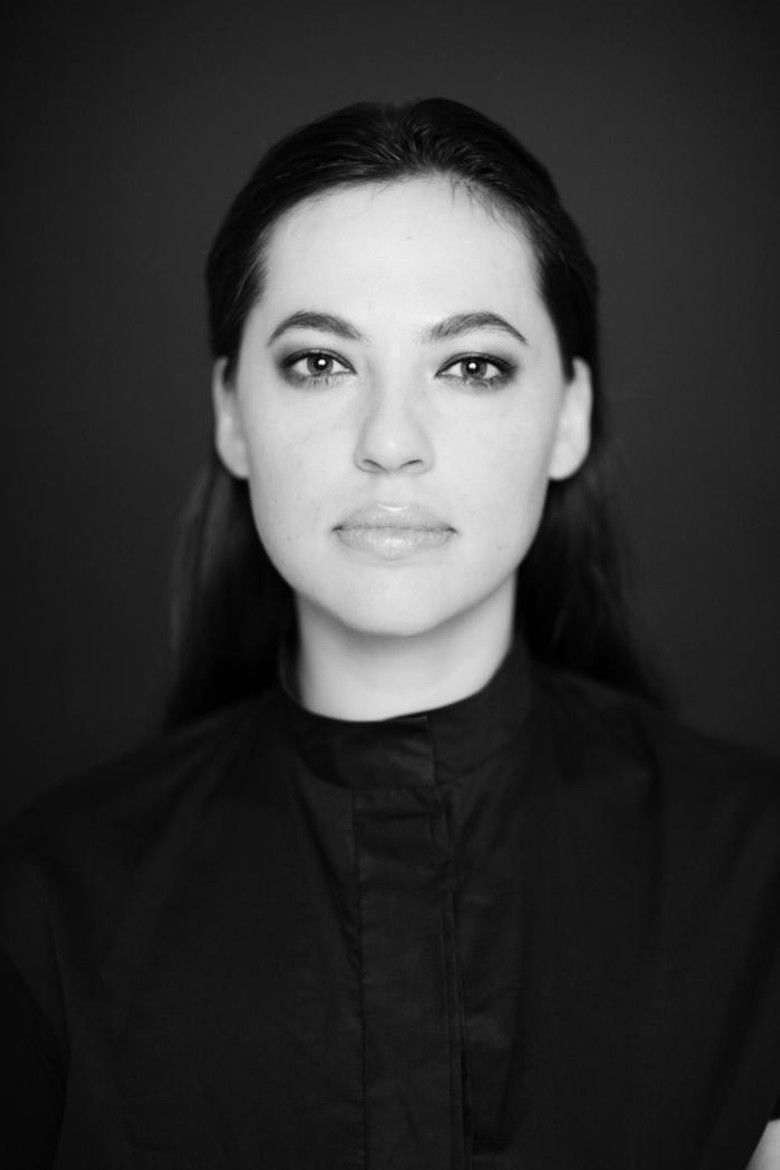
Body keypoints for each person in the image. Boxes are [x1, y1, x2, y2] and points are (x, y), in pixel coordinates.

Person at [1, 99, 779, 1170]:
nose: (391, 442)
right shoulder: (46, 908)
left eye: (472, 366)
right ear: (231, 413)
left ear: (569, 416)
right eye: (321, 363)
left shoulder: (760, 879)